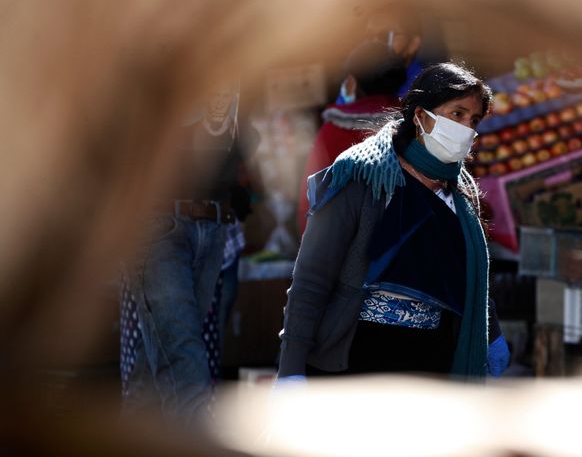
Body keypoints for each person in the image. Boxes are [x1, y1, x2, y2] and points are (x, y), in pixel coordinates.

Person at [278, 63, 510, 382]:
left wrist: (491, 331)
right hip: (358, 354)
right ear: (420, 115)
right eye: (457, 114)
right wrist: (290, 367)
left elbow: (468, 276)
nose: (466, 129)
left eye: (473, 120)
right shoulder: (361, 176)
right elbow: (311, 279)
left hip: (433, 358)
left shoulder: (461, 192)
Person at [122, 79, 256, 423]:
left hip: (211, 223)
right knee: (185, 359)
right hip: (158, 223)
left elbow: (236, 142)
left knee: (159, 359)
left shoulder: (236, 63)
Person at [297, 41, 409, 234]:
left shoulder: (333, 131)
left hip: (345, 242)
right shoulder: (414, 125)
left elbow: (311, 199)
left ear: (353, 82)